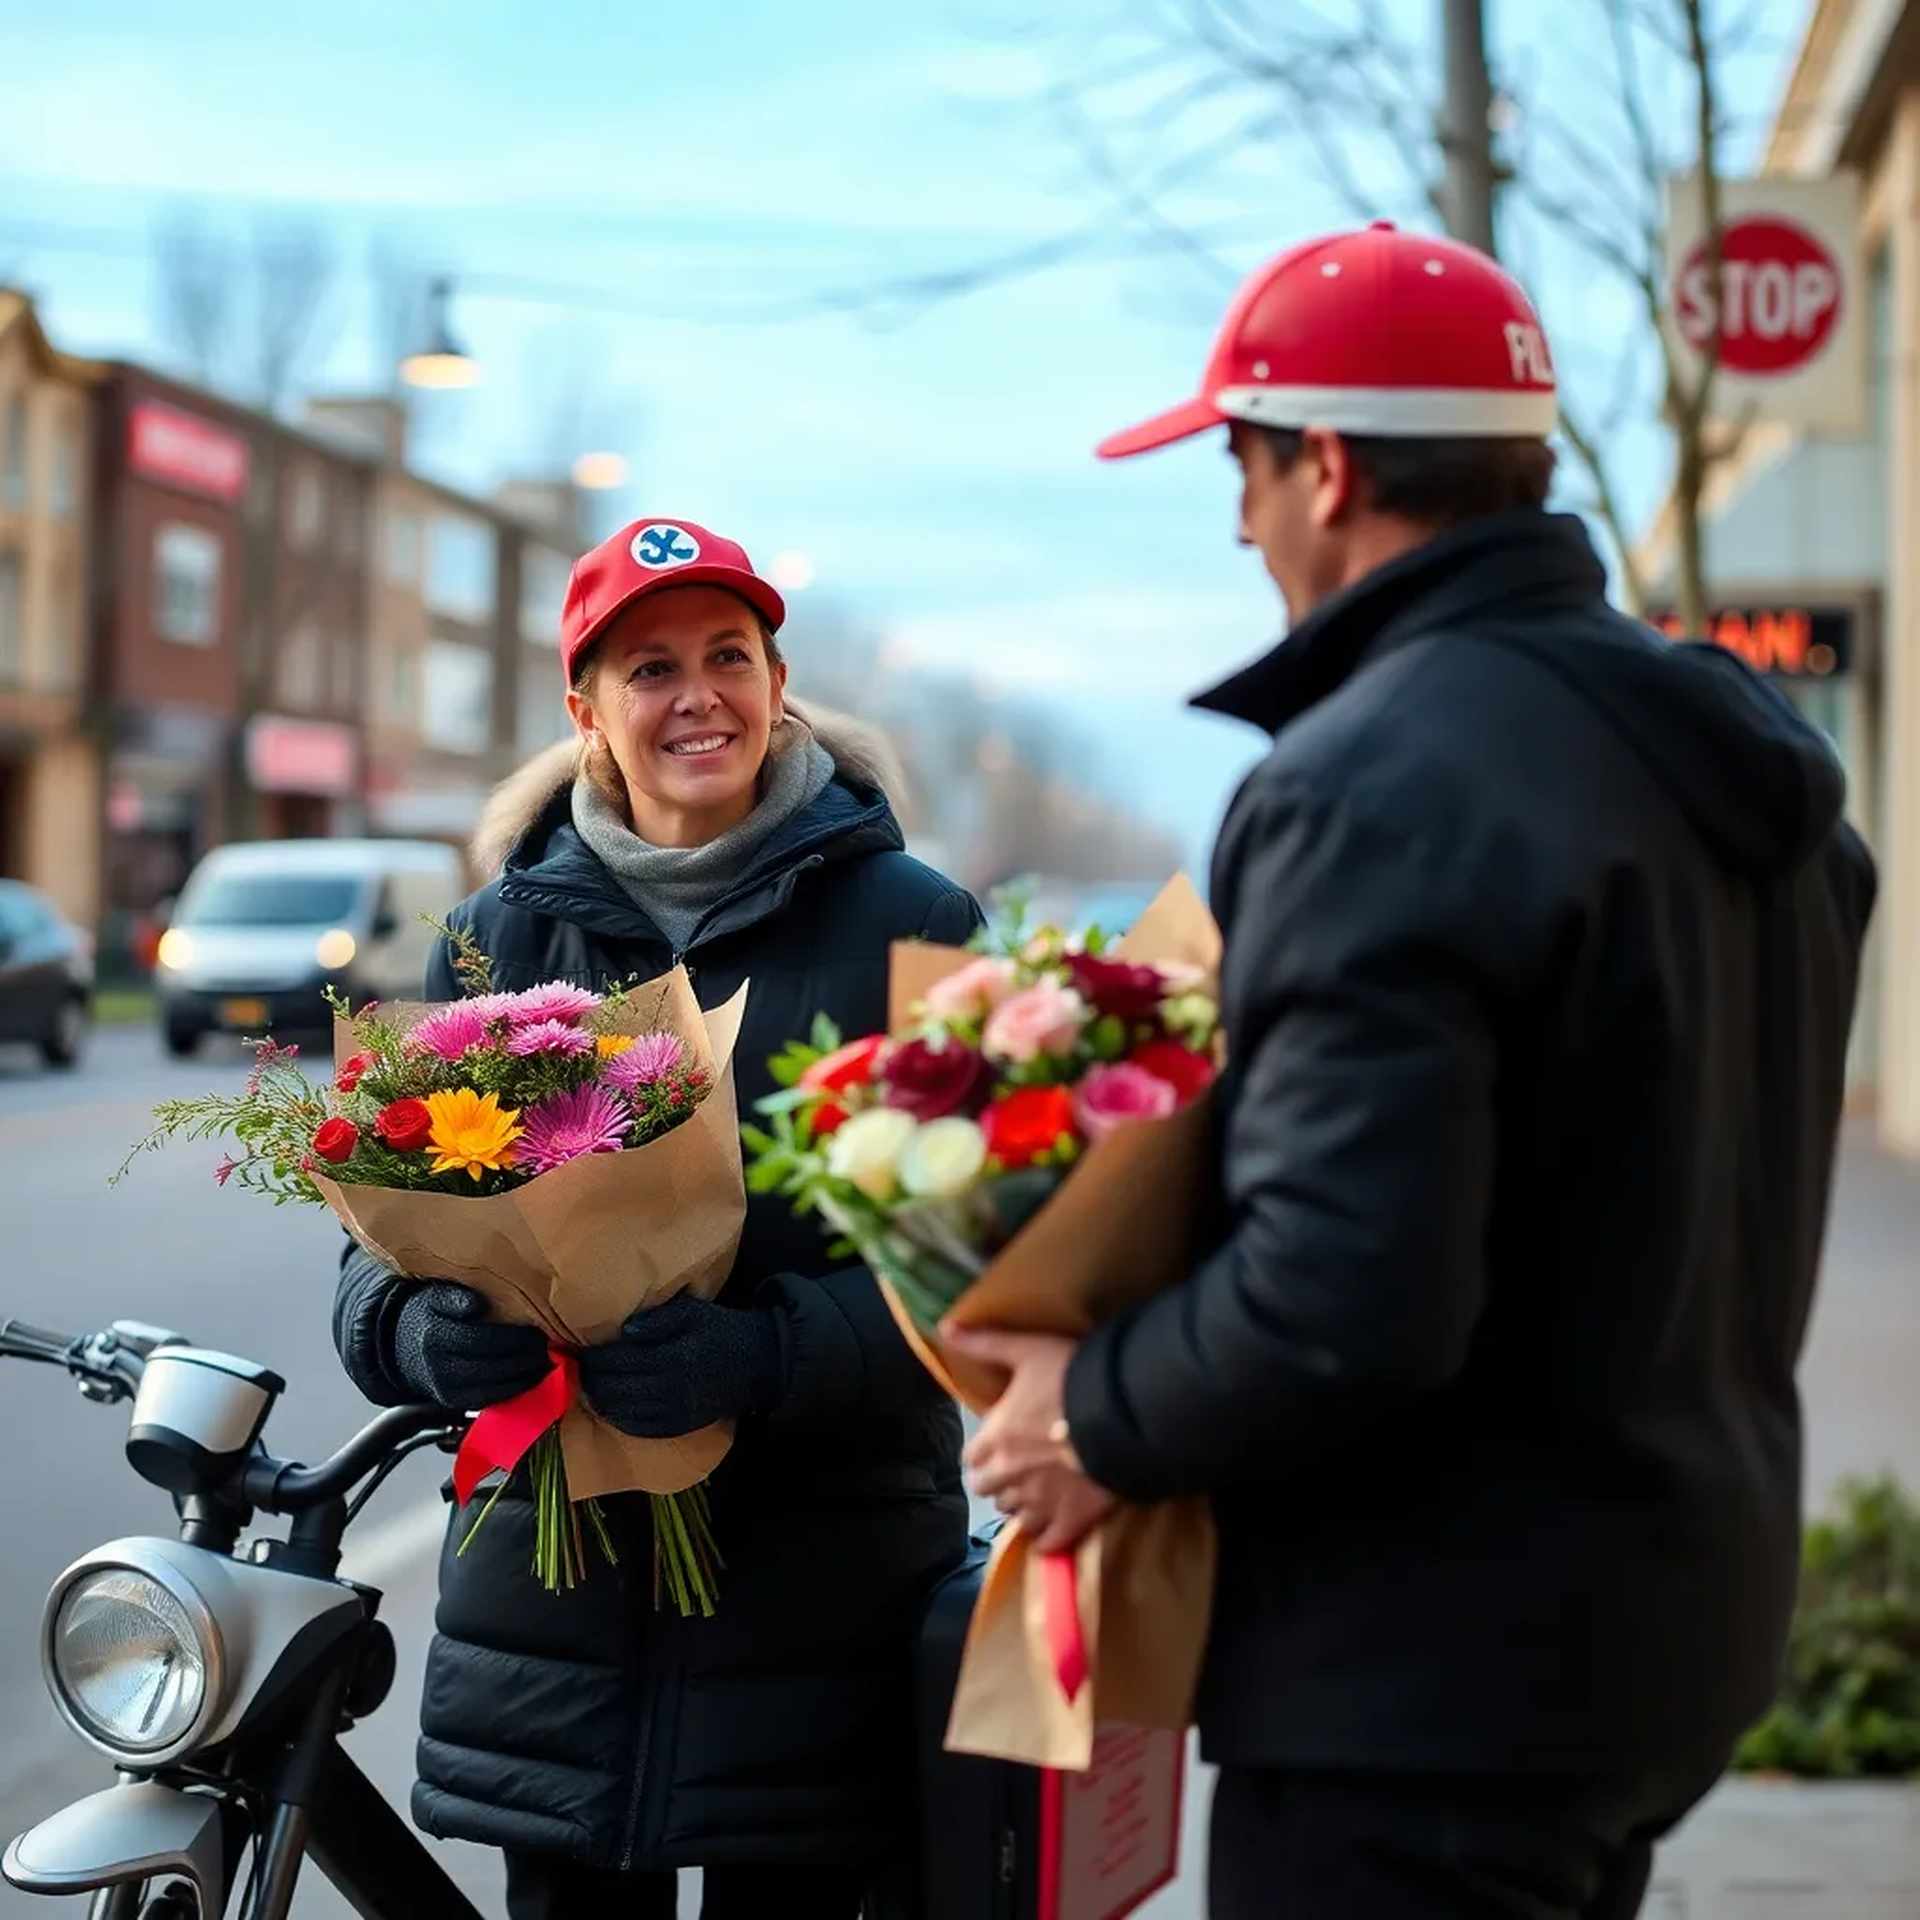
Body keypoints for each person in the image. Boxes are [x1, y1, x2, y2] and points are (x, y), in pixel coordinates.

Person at [951, 223, 1877, 1919]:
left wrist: (1091, 1413)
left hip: (1424, 1679)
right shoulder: (1721, 759)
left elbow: (1340, 1290)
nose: (1235, 522)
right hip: (1661, 1631)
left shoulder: (1378, 776)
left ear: (1324, 466)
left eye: (1239, 465)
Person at [332, 517, 980, 1920]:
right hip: (553, 1616)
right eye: (651, 667)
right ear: (585, 713)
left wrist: (766, 1358)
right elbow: (364, 1258)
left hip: (820, 1601)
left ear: (777, 680)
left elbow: (977, 1276)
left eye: (729, 656)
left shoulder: (918, 925)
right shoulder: (484, 939)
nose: (699, 697)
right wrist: (426, 1332)